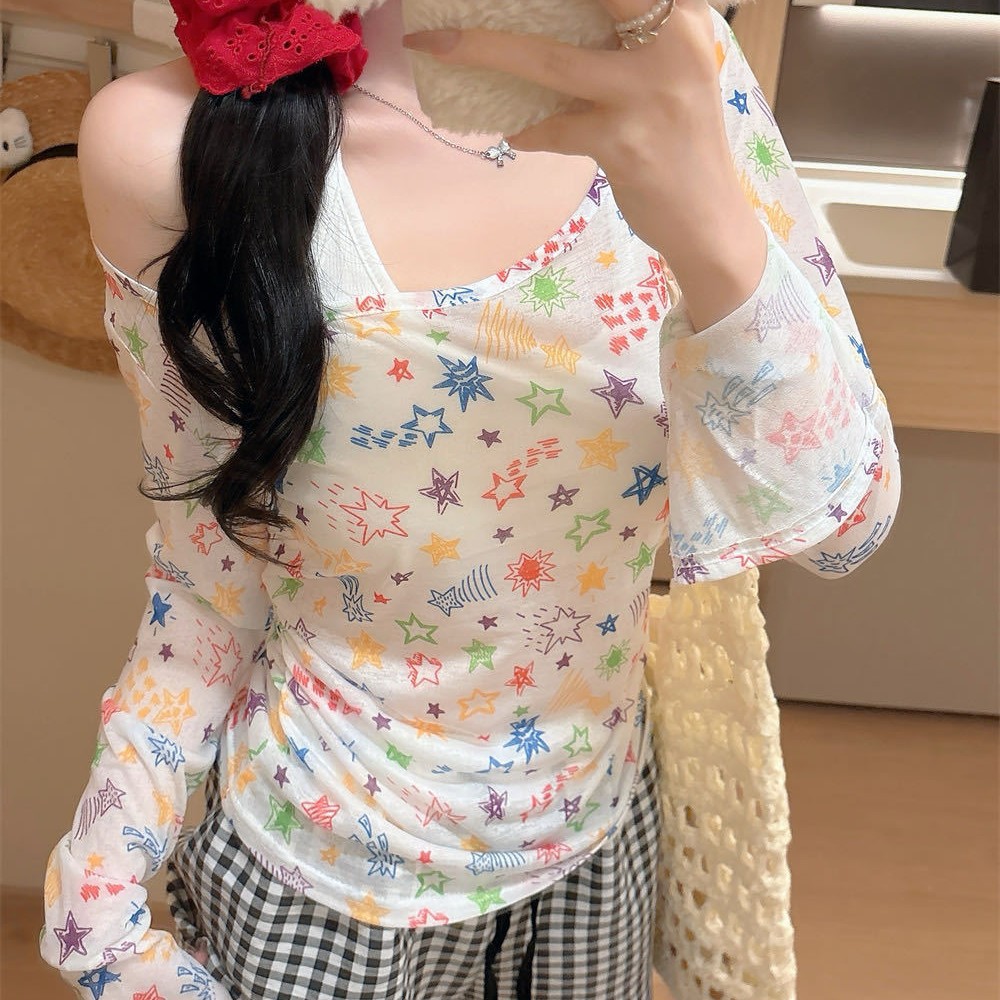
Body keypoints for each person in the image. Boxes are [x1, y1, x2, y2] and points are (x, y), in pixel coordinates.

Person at [39, 1, 901, 998]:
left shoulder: (677, 63)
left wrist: (701, 212)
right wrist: (99, 893)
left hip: (596, 850)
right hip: (322, 881)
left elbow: (846, 531)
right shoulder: (164, 143)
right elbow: (212, 573)